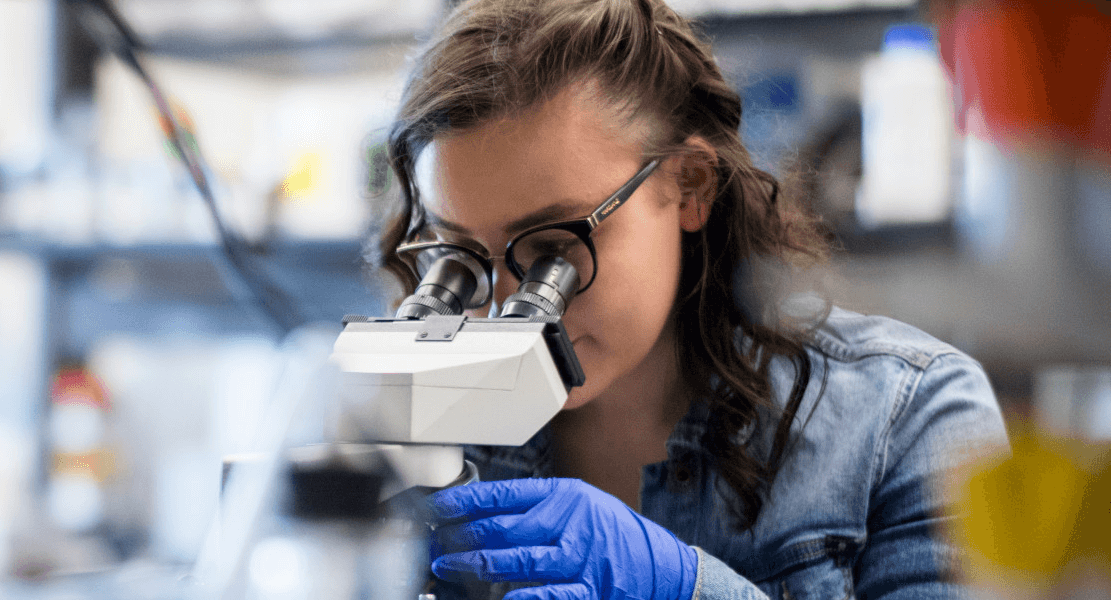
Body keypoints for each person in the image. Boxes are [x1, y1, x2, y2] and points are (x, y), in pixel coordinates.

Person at [371, 0, 1011, 599]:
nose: (501, 308)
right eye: (460, 258)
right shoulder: (427, 422)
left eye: (551, 252)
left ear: (690, 186)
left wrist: (686, 586)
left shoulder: (908, 417)